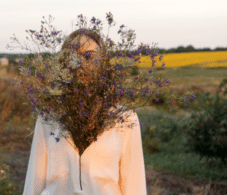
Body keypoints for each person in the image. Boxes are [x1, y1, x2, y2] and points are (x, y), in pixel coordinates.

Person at [22, 29, 147, 195]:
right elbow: (34, 182)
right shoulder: (49, 117)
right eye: (74, 56)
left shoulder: (124, 118)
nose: (82, 62)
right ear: (65, 64)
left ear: (102, 61)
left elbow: (134, 186)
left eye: (90, 54)